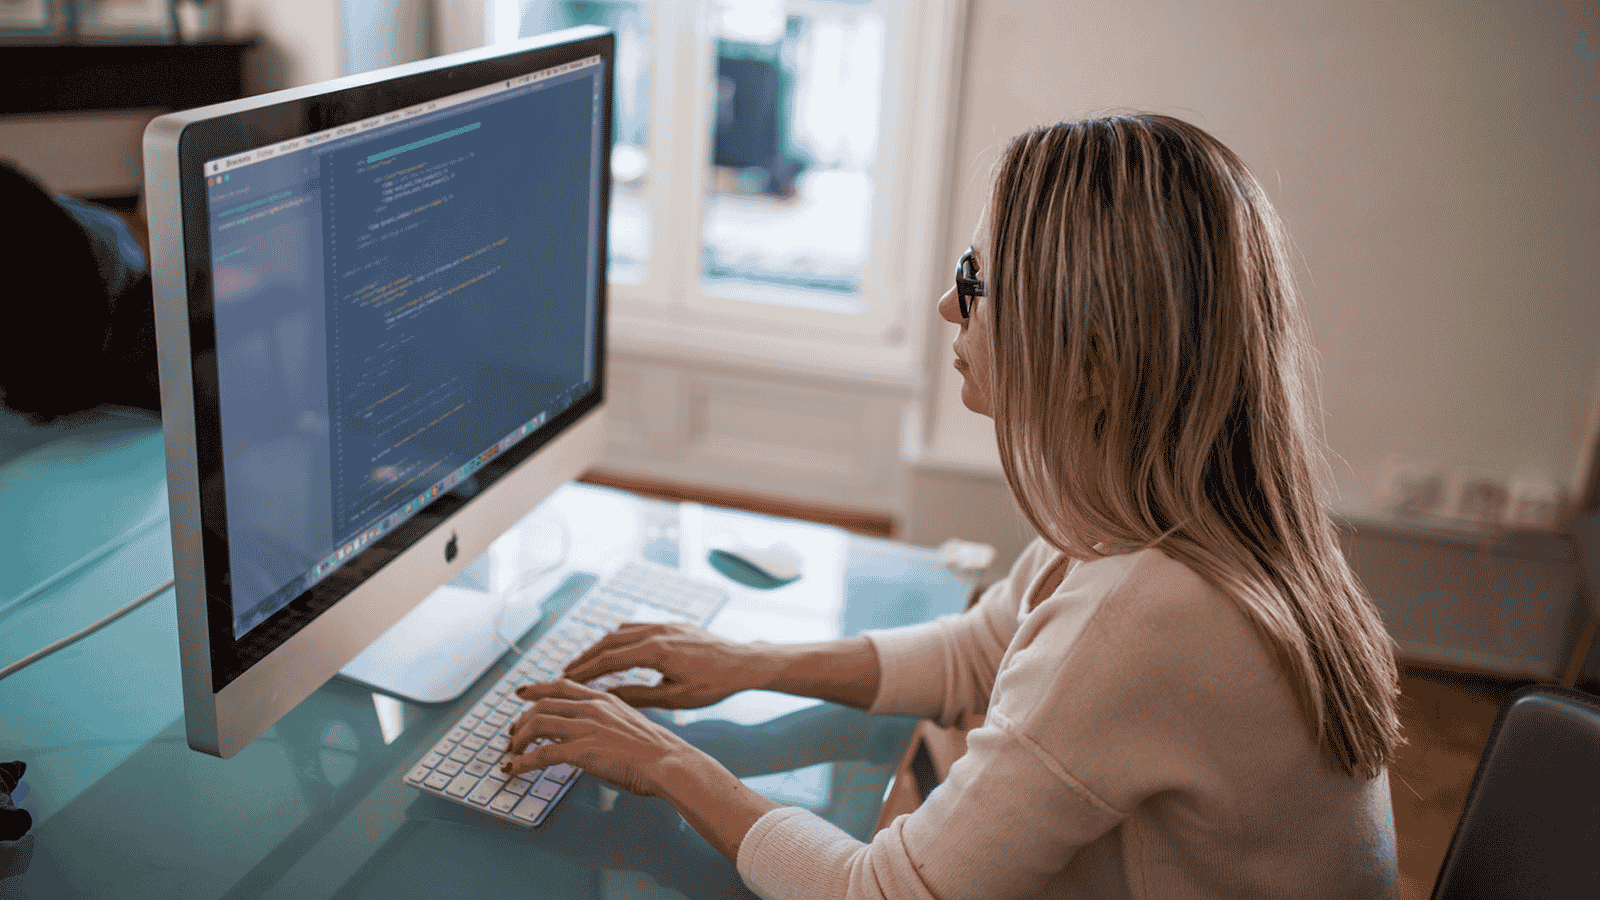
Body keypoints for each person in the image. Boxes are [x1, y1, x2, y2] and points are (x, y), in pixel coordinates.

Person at [502, 114, 1403, 899]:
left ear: (1089, 362)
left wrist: (664, 759)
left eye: (974, 280)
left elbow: (879, 893)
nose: (946, 303)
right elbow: (983, 647)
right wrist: (749, 661)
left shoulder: (1149, 614)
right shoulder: (1182, 514)